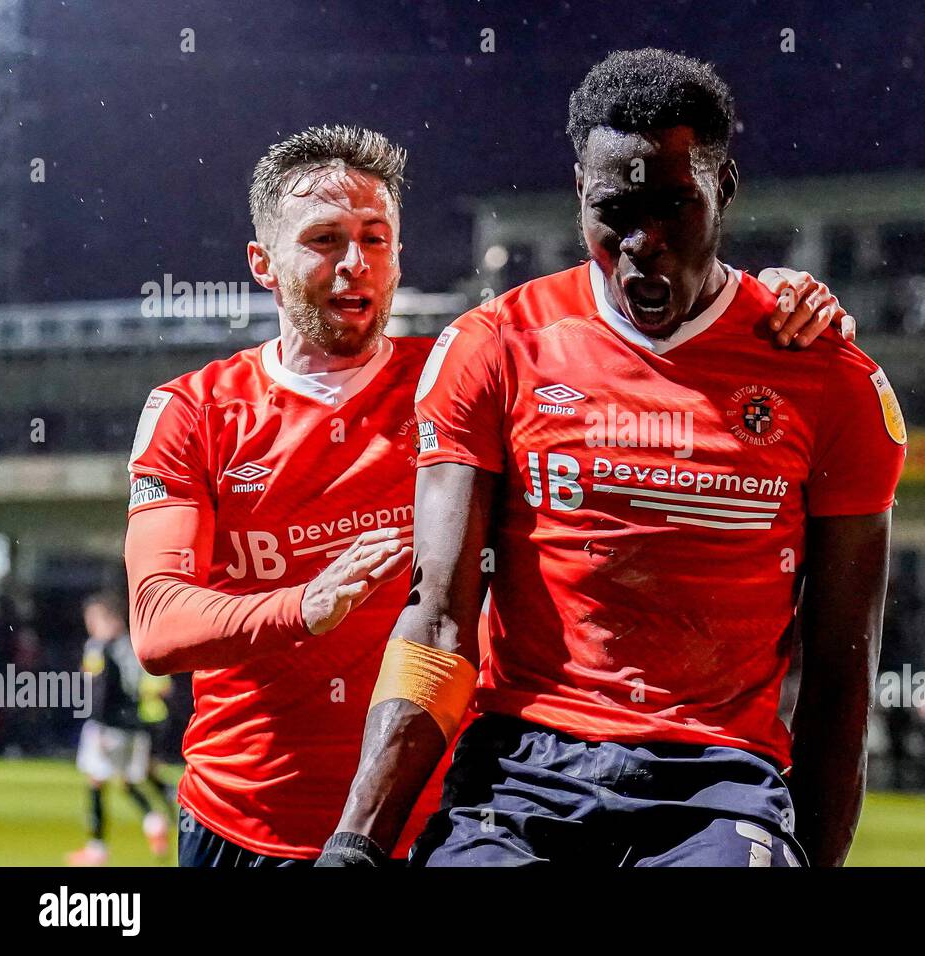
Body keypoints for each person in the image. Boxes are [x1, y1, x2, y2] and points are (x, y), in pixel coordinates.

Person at [125, 123, 853, 867]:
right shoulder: (195, 411)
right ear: (262, 263)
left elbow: (618, 329)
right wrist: (303, 605)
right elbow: (156, 626)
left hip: (427, 828)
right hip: (237, 823)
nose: (355, 264)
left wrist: (779, 302)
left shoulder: (464, 376)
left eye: (376, 239)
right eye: (324, 240)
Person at [318, 48, 907, 869]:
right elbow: (441, 620)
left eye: (675, 205)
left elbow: (845, 671)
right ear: (577, 195)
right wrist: (356, 844)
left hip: (718, 786)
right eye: (615, 210)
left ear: (724, 190)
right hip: (520, 773)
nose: (644, 243)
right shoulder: (494, 349)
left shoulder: (831, 382)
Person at [66, 591, 174, 865]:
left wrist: (99, 725)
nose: (90, 625)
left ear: (108, 619)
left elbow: (102, 690)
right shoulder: (135, 646)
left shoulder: (100, 647)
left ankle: (97, 848)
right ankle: (154, 821)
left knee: (96, 781)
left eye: (93, 619)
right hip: (135, 725)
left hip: (108, 725)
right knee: (129, 781)